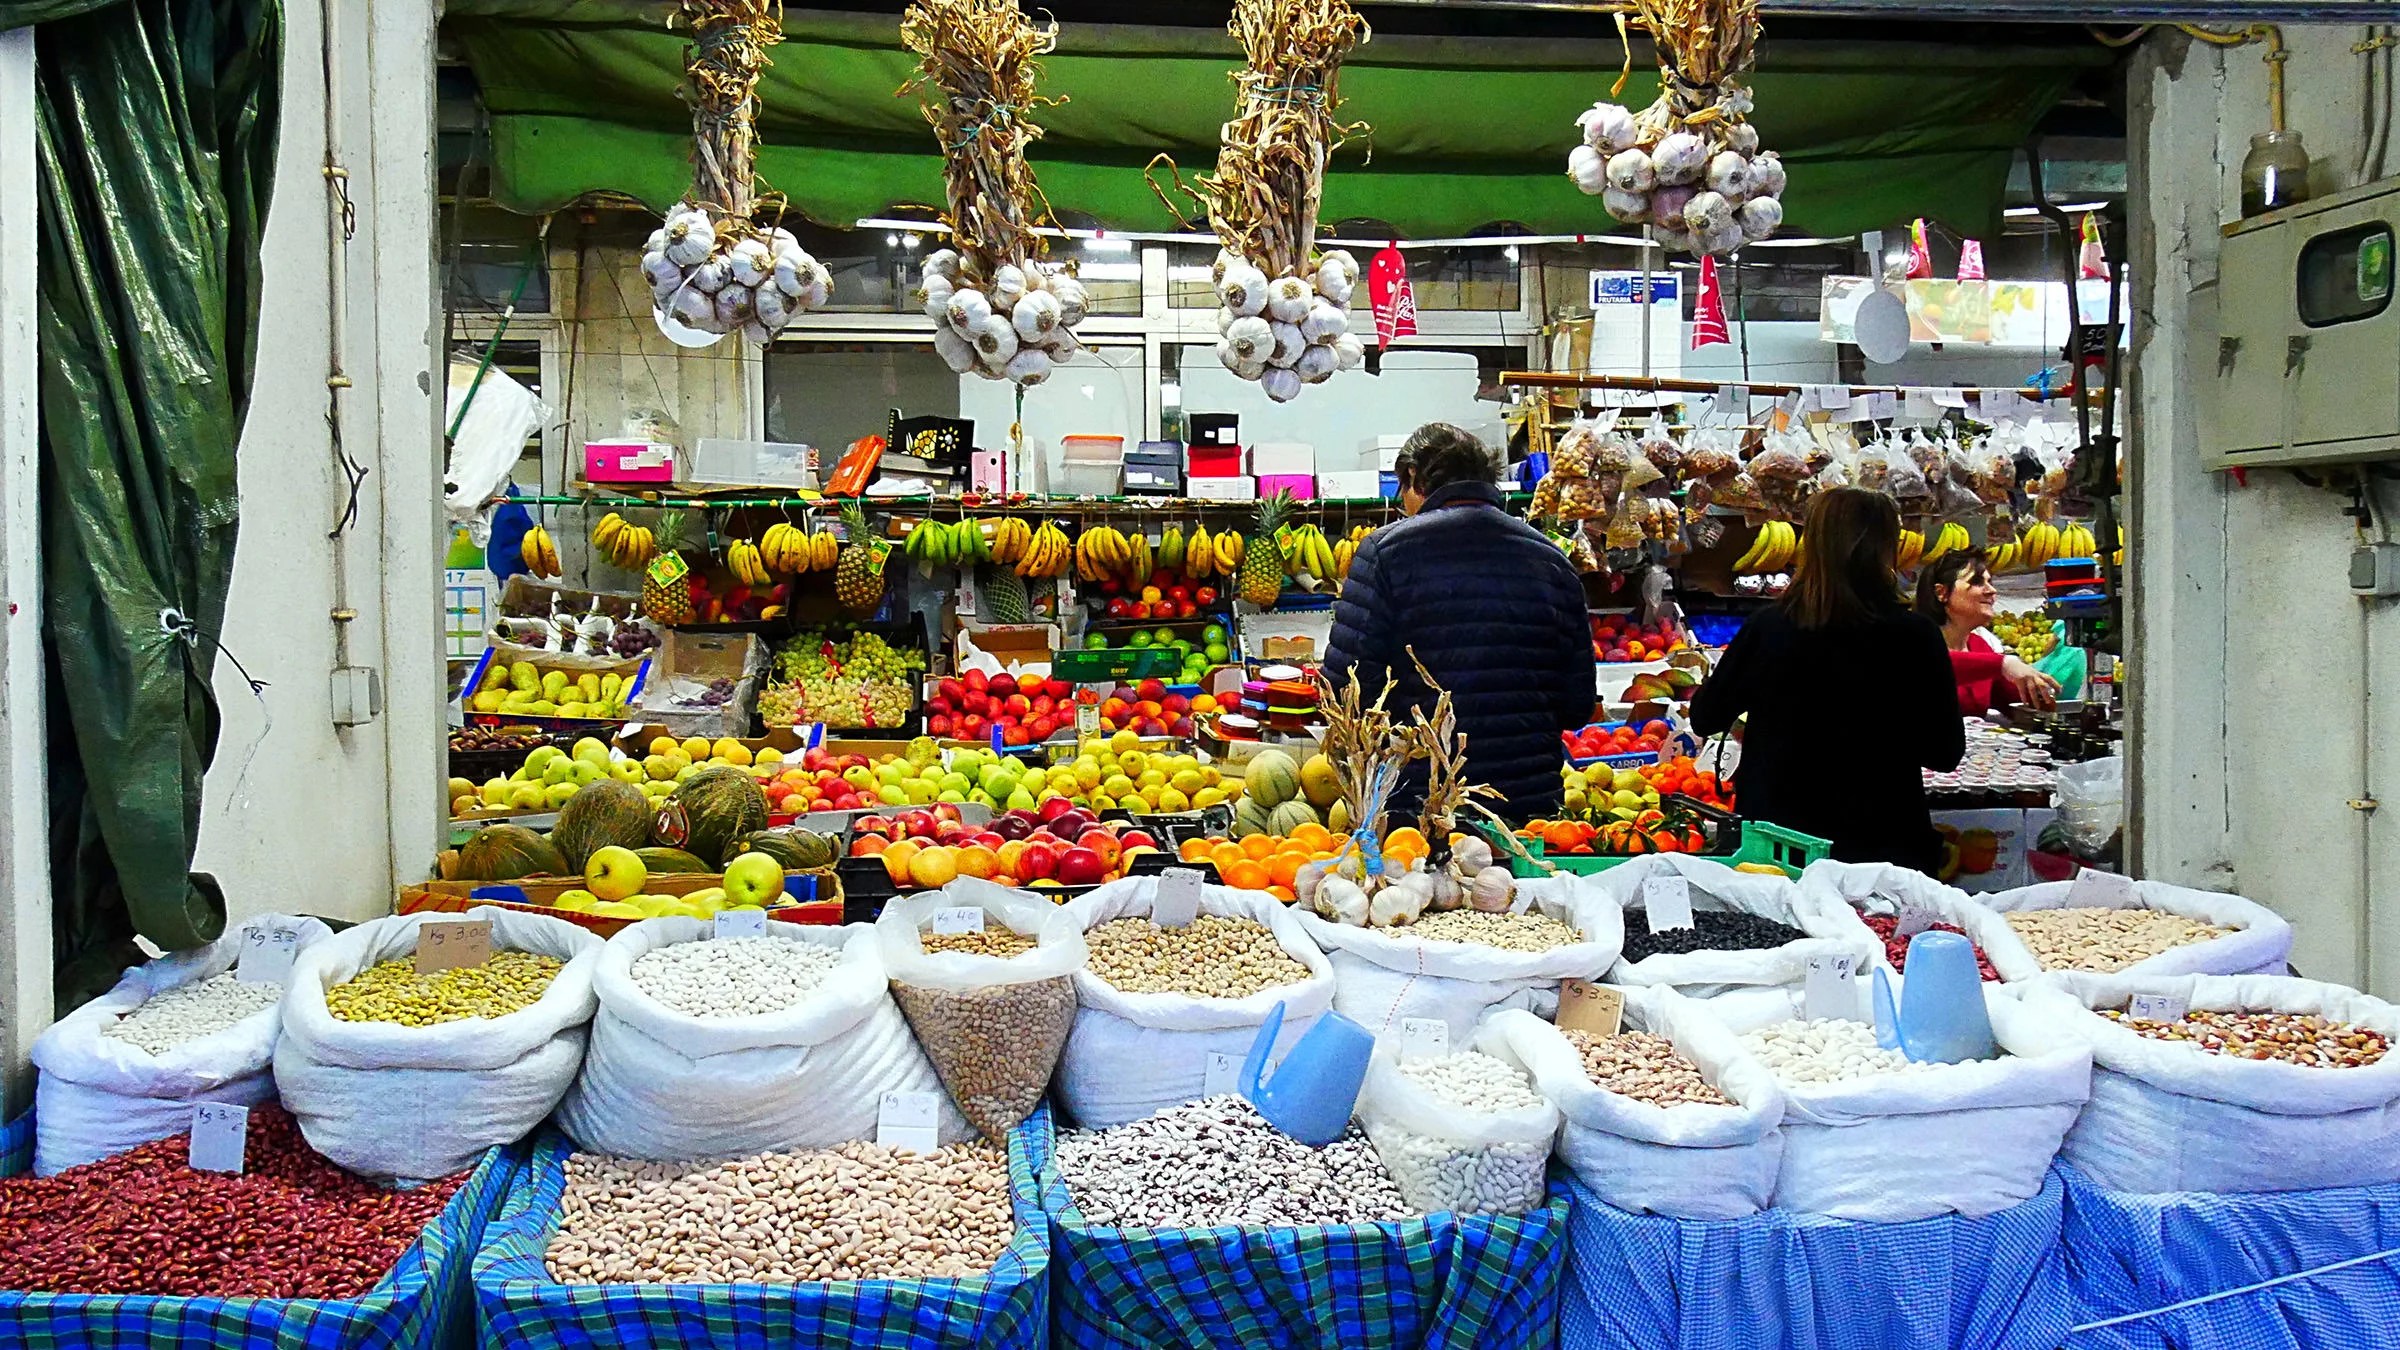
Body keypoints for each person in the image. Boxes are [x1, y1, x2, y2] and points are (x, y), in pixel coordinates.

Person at [1325, 423, 1593, 820]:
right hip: (1529, 805)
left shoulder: (1385, 552)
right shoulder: (1552, 559)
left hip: (1422, 805)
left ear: (1413, 475)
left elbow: (1347, 689)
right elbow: (1577, 705)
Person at [1690, 487, 1965, 872]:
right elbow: (1945, 752)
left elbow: (1705, 717)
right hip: (1883, 849)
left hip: (1783, 850)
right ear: (1886, 549)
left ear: (1812, 546)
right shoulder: (1916, 636)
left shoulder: (1768, 628)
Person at [1915, 550, 2061, 715]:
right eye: (1977, 582)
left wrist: (2039, 692)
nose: (1992, 590)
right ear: (1941, 592)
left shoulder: (1979, 646)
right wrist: (2004, 663)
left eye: (1990, 582)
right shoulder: (1915, 640)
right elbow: (1934, 661)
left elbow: (2011, 700)